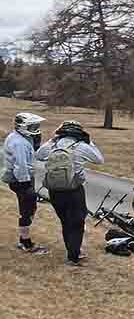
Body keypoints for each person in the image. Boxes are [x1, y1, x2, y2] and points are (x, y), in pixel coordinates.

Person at [35, 120, 104, 267]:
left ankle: (72, 251)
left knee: (65, 221)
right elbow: (99, 159)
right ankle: (73, 256)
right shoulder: (82, 146)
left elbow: (38, 156)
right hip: (74, 190)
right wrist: (89, 141)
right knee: (77, 222)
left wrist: (52, 139)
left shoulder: (52, 145)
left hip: (54, 190)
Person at [3, 112, 48, 254]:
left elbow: (31, 153)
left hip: (23, 178)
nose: (35, 128)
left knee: (29, 208)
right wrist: (26, 184)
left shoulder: (21, 137)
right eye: (32, 126)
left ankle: (24, 239)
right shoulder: (19, 142)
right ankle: (25, 242)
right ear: (22, 126)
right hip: (21, 180)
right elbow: (21, 165)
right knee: (27, 210)